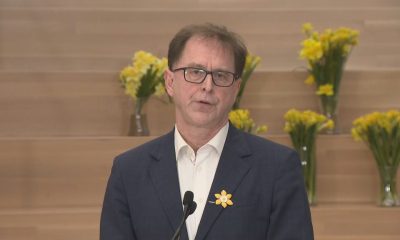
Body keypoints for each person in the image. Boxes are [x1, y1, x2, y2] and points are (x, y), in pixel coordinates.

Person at [100, 23, 314, 240]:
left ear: (235, 89)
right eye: (195, 72)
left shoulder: (276, 167)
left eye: (221, 76)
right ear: (170, 82)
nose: (207, 86)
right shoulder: (129, 171)